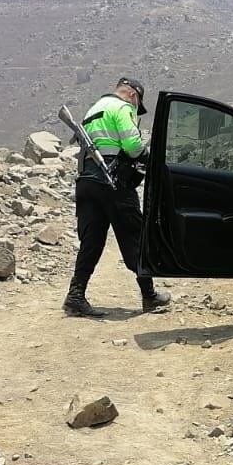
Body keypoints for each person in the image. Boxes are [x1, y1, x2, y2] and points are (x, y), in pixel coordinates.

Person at [65, 76, 171, 317]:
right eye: (137, 105)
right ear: (133, 96)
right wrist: (148, 157)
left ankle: (75, 296)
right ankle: (150, 296)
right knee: (136, 237)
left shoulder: (95, 108)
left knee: (91, 242)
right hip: (113, 182)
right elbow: (132, 146)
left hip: (86, 182)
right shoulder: (122, 107)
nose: (136, 110)